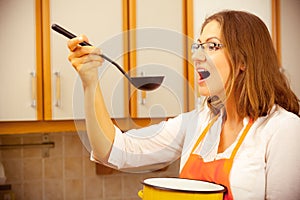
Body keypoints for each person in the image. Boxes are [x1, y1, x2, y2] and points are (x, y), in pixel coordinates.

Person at [67, 10, 300, 200]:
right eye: (198, 46)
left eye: (212, 46)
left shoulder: (283, 129)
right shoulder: (198, 123)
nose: (197, 56)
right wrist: (90, 81)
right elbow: (113, 151)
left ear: (243, 61)